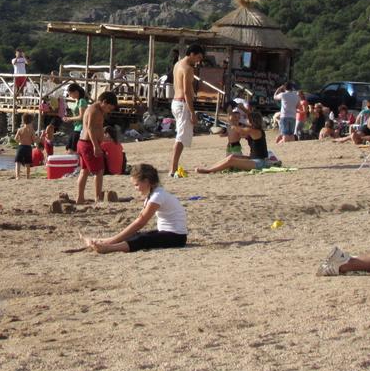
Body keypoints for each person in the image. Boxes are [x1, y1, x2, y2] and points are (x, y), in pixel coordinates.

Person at [79, 164, 187, 254]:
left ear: (146, 181)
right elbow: (139, 221)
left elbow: (140, 222)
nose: (135, 188)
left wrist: (114, 240)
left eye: (137, 185)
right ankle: (100, 241)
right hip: (167, 233)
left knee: (142, 239)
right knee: (137, 235)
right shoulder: (153, 194)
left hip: (176, 237)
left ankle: (108, 247)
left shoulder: (158, 195)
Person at [74, 91, 119, 204]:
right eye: (109, 108)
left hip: (84, 143)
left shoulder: (96, 109)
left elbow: (96, 128)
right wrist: (96, 146)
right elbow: (90, 128)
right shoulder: (95, 110)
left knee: (84, 171)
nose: (109, 111)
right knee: (99, 171)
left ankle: (80, 198)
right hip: (88, 144)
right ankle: (98, 198)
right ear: (104, 102)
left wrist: (103, 139)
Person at [169, 43, 205, 178]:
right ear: (192, 54)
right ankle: (172, 169)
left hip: (175, 102)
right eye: (198, 57)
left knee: (180, 135)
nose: (199, 60)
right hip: (183, 103)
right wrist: (192, 112)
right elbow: (186, 92)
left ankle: (173, 167)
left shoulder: (177, 64)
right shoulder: (188, 69)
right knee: (181, 137)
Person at [196, 110, 274, 173]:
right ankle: (211, 168)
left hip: (259, 163)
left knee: (231, 161)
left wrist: (231, 122)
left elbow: (238, 129)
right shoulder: (254, 130)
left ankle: (209, 170)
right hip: (254, 159)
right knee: (231, 157)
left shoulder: (254, 130)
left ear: (252, 121)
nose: (245, 120)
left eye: (247, 119)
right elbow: (240, 133)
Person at [63, 83, 89, 153]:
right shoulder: (78, 100)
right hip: (76, 127)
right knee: (69, 148)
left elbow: (81, 116)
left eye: (70, 93)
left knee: (73, 149)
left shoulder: (81, 101)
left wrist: (69, 119)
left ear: (76, 92)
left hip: (80, 128)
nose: (70, 96)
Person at [14, 113, 37, 179]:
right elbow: (34, 139)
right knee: (28, 163)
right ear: (31, 121)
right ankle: (28, 176)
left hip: (21, 147)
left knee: (18, 162)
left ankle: (17, 176)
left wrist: (20, 142)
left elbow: (15, 138)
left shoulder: (20, 129)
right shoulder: (32, 130)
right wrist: (37, 139)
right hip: (28, 147)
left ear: (23, 121)